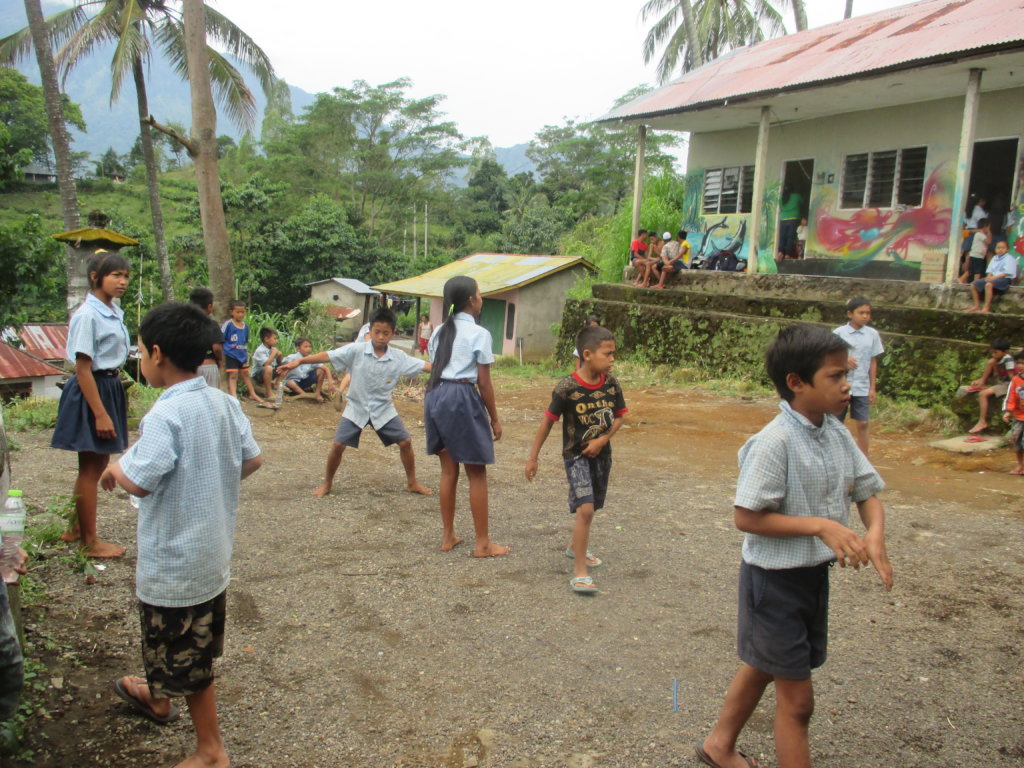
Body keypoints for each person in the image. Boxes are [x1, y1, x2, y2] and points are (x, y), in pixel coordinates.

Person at [697, 324, 892, 768]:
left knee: (767, 663)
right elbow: (745, 517)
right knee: (798, 703)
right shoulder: (774, 442)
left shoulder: (836, 433)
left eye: (848, 374)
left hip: (810, 579)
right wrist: (821, 526)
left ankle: (718, 745)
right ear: (796, 382)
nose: (848, 385)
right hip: (773, 583)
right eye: (835, 375)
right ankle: (720, 746)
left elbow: (867, 491)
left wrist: (875, 532)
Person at [100, 301, 262, 768]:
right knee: (180, 646)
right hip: (211, 555)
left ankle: (211, 750)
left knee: (187, 655)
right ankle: (157, 697)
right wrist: (212, 480)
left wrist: (114, 468)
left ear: (156, 353)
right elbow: (251, 460)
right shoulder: (222, 402)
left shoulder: (165, 413)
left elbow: (140, 479)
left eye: (140, 352)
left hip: (174, 563)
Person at [278, 308, 433, 498]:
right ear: (370, 331)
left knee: (406, 442)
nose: (381, 337)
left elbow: (425, 366)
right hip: (356, 407)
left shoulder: (398, 357)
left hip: (383, 408)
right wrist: (299, 362)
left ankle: (412, 483)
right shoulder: (356, 350)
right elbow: (328, 355)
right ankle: (327, 483)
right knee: (337, 446)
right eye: (377, 332)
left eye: (386, 333)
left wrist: (451, 370)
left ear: (393, 333)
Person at [525, 325, 626, 594]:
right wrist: (533, 458)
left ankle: (574, 547)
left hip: (602, 456)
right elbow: (547, 423)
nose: (613, 359)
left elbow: (619, 416)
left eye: (614, 353)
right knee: (586, 509)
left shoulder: (612, 384)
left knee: (593, 507)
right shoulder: (567, 387)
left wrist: (603, 440)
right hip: (576, 457)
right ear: (587, 354)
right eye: (608, 354)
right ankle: (580, 572)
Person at [51, 250, 132, 558]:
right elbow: (82, 368)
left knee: (96, 464)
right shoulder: (88, 314)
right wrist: (100, 414)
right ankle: (90, 541)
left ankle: (75, 527)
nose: (122, 281)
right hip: (92, 389)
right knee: (91, 466)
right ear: (96, 278)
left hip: (108, 386)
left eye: (125, 276)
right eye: (116, 275)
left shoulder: (113, 309)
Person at [425, 276, 509, 557]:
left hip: (436, 395)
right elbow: (484, 383)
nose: (481, 297)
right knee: (476, 471)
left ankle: (448, 536)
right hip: (461, 397)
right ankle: (482, 543)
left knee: (449, 470)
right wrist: (494, 418)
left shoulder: (438, 332)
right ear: (472, 300)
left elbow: (436, 366)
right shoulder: (479, 334)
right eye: (480, 293)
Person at [832, 297, 884, 456]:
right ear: (850, 314)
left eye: (868, 313)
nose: (865, 316)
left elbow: (873, 361)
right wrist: (843, 360)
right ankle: (834, 455)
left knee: (863, 422)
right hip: (841, 386)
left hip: (862, 386)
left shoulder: (872, 334)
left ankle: (863, 459)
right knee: (835, 422)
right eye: (861, 313)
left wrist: (872, 388)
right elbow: (828, 358)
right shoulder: (838, 333)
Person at [960, 338, 1015, 435]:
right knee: (991, 361)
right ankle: (982, 382)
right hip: (1000, 380)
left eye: (996, 352)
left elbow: (1012, 378)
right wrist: (982, 380)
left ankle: (982, 421)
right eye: (992, 352)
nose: (993, 354)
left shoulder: (1008, 360)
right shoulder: (997, 359)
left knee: (982, 394)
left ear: (1005, 352)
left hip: (1007, 385)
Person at [221, 300, 259, 403]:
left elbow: (245, 340)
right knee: (233, 374)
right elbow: (222, 337)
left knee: (246, 374)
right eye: (238, 312)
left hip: (242, 354)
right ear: (231, 312)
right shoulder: (228, 324)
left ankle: (252, 393)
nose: (240, 314)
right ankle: (233, 396)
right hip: (231, 354)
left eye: (242, 312)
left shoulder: (245, 326)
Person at [967, 240, 1018, 313]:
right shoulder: (994, 258)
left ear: (1007, 249)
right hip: (993, 278)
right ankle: (977, 306)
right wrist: (988, 277)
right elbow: (990, 271)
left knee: (989, 284)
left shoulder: (1009, 258)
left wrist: (992, 278)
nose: (1000, 249)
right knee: (973, 284)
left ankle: (986, 308)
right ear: (995, 249)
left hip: (1004, 279)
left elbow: (1006, 273)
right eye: (998, 248)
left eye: (1003, 248)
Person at [188, 288, 223, 389]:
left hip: (189, 367)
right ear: (209, 306)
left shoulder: (184, 325)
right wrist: (220, 359)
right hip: (208, 365)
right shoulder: (212, 324)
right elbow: (216, 348)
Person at [280, 338, 335, 402]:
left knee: (321, 370)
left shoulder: (311, 358)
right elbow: (281, 366)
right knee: (290, 382)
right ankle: (304, 394)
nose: (308, 349)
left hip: (305, 381)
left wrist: (330, 382)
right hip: (294, 382)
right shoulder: (291, 357)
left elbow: (326, 368)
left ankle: (317, 393)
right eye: (305, 347)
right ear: (298, 348)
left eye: (310, 347)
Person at [1001, 349, 1024, 475]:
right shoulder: (1015, 380)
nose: (1020, 366)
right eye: (1019, 363)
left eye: (1023, 363)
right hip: (1019, 418)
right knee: (1017, 441)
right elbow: (1011, 397)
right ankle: (1020, 466)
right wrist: (1008, 411)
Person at [250, 327, 284, 407]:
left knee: (286, 365)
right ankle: (268, 392)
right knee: (268, 368)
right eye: (275, 339)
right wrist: (273, 354)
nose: (276, 341)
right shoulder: (260, 350)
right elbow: (266, 365)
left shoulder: (273, 348)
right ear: (266, 339)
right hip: (259, 375)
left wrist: (279, 356)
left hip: (270, 371)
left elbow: (280, 362)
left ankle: (276, 384)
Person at [959, 219, 991, 284]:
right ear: (985, 227)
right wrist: (990, 233)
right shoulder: (980, 234)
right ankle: (971, 282)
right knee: (976, 271)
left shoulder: (980, 234)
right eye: (988, 227)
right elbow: (989, 241)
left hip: (978, 256)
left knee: (973, 271)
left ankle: (973, 282)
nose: (989, 229)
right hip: (976, 256)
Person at [776, 186, 804, 261]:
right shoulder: (797, 196)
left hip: (783, 219)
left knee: (782, 237)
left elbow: (781, 207)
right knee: (790, 237)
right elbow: (802, 203)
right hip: (793, 219)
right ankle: (787, 254)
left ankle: (780, 252)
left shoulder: (781, 198)